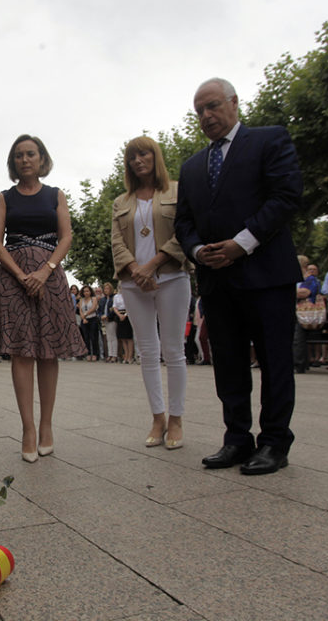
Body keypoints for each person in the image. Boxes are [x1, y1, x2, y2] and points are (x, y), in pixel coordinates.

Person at [174, 78, 303, 475]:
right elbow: (183, 222)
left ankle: (274, 442)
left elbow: (286, 196)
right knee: (228, 363)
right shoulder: (191, 167)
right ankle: (237, 439)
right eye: (199, 111)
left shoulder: (269, 140)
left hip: (266, 275)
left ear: (233, 102)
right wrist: (198, 251)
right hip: (217, 280)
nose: (206, 115)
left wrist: (241, 244)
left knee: (274, 360)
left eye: (212, 106)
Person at [0, 134, 87, 463]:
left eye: (31, 154)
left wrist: (44, 271)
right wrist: (21, 276)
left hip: (51, 276)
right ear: (13, 162)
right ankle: (27, 428)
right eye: (19, 155)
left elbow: (66, 236)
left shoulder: (55, 195)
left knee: (48, 352)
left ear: (42, 159)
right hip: (13, 277)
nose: (25, 159)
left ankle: (46, 426)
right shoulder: (4, 198)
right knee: (21, 352)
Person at [112, 135, 193, 450]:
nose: (138, 161)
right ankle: (158, 418)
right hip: (134, 283)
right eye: (132, 157)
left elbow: (185, 231)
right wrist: (136, 270)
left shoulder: (176, 191)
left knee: (173, 350)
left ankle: (177, 419)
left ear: (154, 156)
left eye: (143, 154)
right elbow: (117, 242)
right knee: (147, 351)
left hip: (171, 276)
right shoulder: (121, 202)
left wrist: (153, 265)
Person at [293, 255, 320, 373]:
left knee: (298, 338)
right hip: (296, 311)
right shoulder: (297, 279)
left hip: (305, 313)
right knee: (294, 337)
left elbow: (304, 293)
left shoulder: (310, 279)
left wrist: (288, 292)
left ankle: (298, 364)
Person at [77, 285, 100, 361]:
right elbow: (80, 310)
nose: (86, 293)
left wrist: (85, 315)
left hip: (92, 319)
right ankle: (88, 353)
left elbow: (93, 308)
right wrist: (83, 318)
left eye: (87, 291)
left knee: (93, 337)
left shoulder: (93, 299)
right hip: (84, 320)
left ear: (90, 292)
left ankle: (95, 354)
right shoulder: (81, 300)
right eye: (84, 291)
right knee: (86, 337)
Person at [100, 282, 119, 363]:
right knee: (108, 338)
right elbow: (100, 310)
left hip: (111, 319)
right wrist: (101, 316)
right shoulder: (103, 299)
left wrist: (108, 316)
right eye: (105, 289)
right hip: (104, 320)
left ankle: (114, 355)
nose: (106, 290)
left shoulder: (114, 298)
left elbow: (114, 309)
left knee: (113, 337)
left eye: (107, 288)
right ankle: (110, 354)